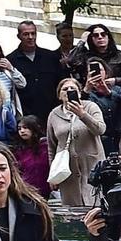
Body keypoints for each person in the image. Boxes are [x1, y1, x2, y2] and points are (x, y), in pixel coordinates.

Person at [46, 78, 105, 209]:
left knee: (96, 209)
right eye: (65, 89)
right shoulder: (54, 115)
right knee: (74, 215)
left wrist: (82, 114)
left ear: (79, 93)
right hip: (68, 172)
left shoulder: (90, 106)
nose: (69, 91)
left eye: (73, 89)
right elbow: (51, 146)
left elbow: (100, 129)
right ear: (59, 95)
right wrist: (53, 174)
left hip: (92, 168)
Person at [8, 20, 66, 108]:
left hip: (51, 111)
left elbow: (61, 82)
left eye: (33, 33)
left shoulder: (51, 57)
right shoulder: (11, 60)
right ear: (19, 36)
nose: (30, 37)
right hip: (26, 114)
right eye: (26, 34)